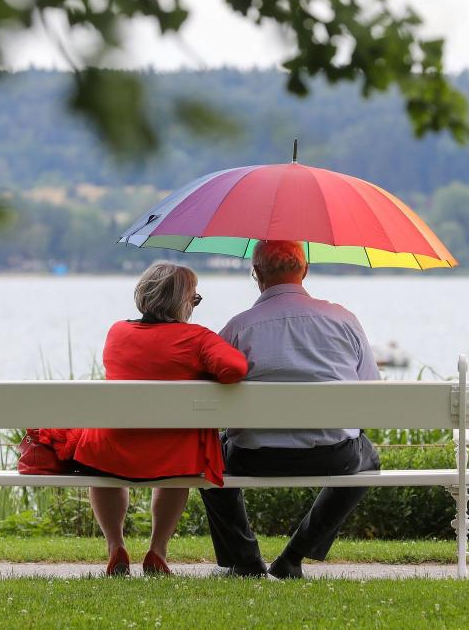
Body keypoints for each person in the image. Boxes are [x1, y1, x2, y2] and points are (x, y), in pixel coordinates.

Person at [200, 240, 381, 579]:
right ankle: (294, 557)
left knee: (207, 458)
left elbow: (207, 395)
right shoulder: (344, 320)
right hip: (332, 455)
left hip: (253, 456)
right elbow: (371, 391)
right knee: (368, 457)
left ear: (257, 274)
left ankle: (245, 560)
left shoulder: (239, 327)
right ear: (305, 270)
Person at [72, 261, 248, 576]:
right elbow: (234, 369)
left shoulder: (118, 332)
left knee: (104, 450)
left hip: (113, 450)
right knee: (177, 452)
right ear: (182, 301)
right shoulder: (197, 339)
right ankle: (157, 549)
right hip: (170, 455)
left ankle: (115, 546)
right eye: (194, 299)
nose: (194, 307)